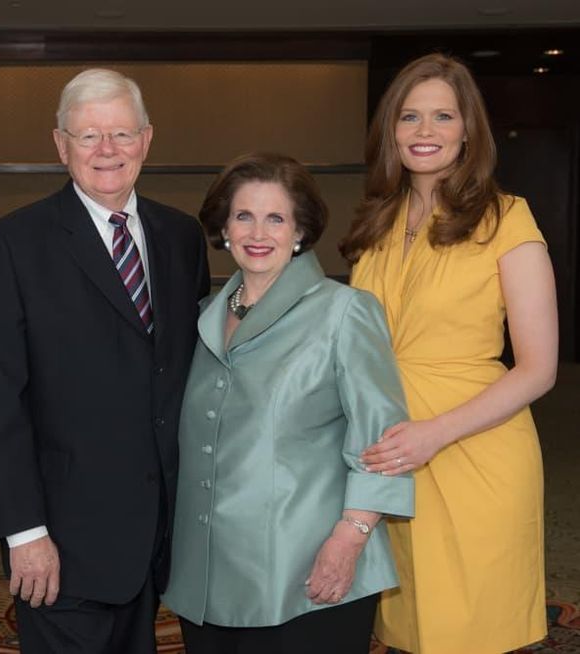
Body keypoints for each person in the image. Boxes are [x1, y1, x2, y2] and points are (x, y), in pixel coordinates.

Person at [0, 68, 210, 653]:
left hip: (160, 536)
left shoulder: (182, 237)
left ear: (146, 140)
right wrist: (24, 532)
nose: (107, 150)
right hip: (61, 542)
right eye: (89, 136)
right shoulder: (14, 243)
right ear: (61, 145)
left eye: (122, 134)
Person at [344, 53, 558, 653]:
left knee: (474, 630)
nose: (425, 130)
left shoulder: (507, 218)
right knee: (410, 629)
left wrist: (434, 434)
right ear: (391, 130)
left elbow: (539, 368)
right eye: (409, 116)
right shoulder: (377, 222)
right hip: (392, 452)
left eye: (443, 116)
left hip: (473, 446)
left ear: (469, 131)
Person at [162, 153, 414, 653]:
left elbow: (383, 443)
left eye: (276, 218)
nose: (258, 233)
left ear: (300, 230)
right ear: (224, 228)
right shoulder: (204, 315)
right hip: (205, 577)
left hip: (307, 573)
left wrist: (349, 540)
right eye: (244, 216)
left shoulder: (344, 313)